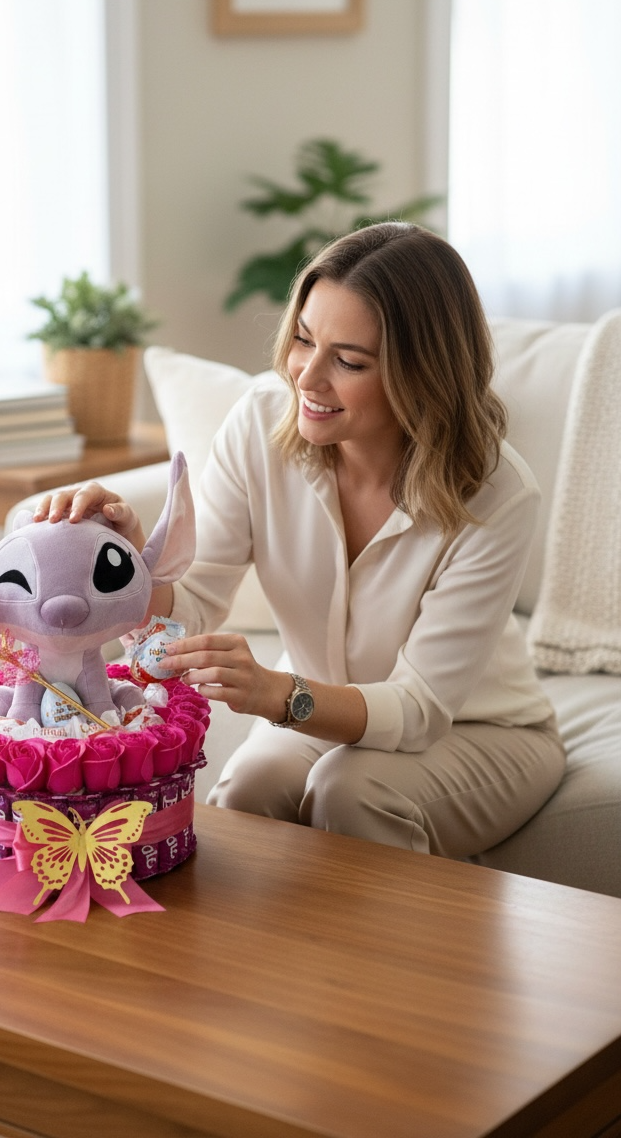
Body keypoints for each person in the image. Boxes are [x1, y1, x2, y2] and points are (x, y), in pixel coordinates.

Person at [34, 223, 566, 858]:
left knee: (352, 792)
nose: (307, 377)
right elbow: (194, 603)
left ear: (422, 374)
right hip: (320, 709)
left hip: (479, 726)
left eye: (349, 361)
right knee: (248, 790)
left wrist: (276, 693)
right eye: (304, 341)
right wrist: (124, 563)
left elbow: (421, 708)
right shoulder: (260, 423)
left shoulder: (498, 492)